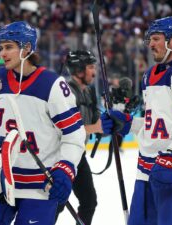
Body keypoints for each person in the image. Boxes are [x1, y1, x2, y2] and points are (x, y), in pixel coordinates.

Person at [101, 16, 172, 225]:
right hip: (147, 171)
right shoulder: (149, 75)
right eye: (150, 39)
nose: (151, 44)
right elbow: (157, 124)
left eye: (156, 39)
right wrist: (128, 123)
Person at [0, 21, 86, 225]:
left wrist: (66, 167)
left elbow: (74, 133)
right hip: (1, 183)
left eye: (9, 47)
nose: (3, 53)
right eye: (1, 47)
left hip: (39, 186)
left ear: (27, 48)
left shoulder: (52, 84)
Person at [56, 50, 100, 225]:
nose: (94, 71)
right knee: (56, 203)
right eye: (90, 67)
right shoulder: (65, 93)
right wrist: (95, 127)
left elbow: (97, 123)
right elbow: (62, 130)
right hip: (61, 155)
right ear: (79, 69)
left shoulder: (88, 92)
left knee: (89, 201)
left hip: (78, 155)